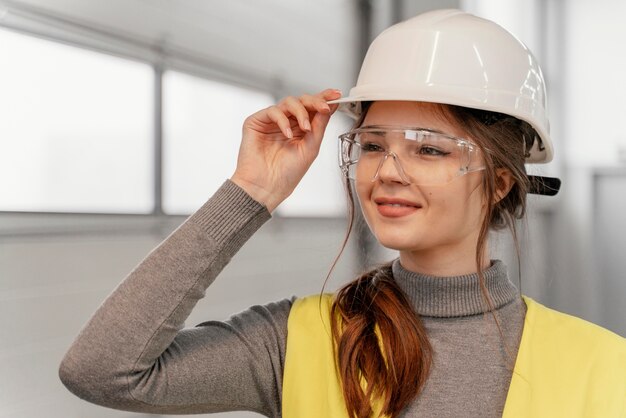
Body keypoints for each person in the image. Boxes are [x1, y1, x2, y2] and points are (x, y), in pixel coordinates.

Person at [59, 9, 626, 418]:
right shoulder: (296, 341)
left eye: (428, 148)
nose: (387, 172)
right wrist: (249, 192)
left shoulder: (605, 365)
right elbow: (102, 372)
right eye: (373, 144)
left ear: (501, 181)